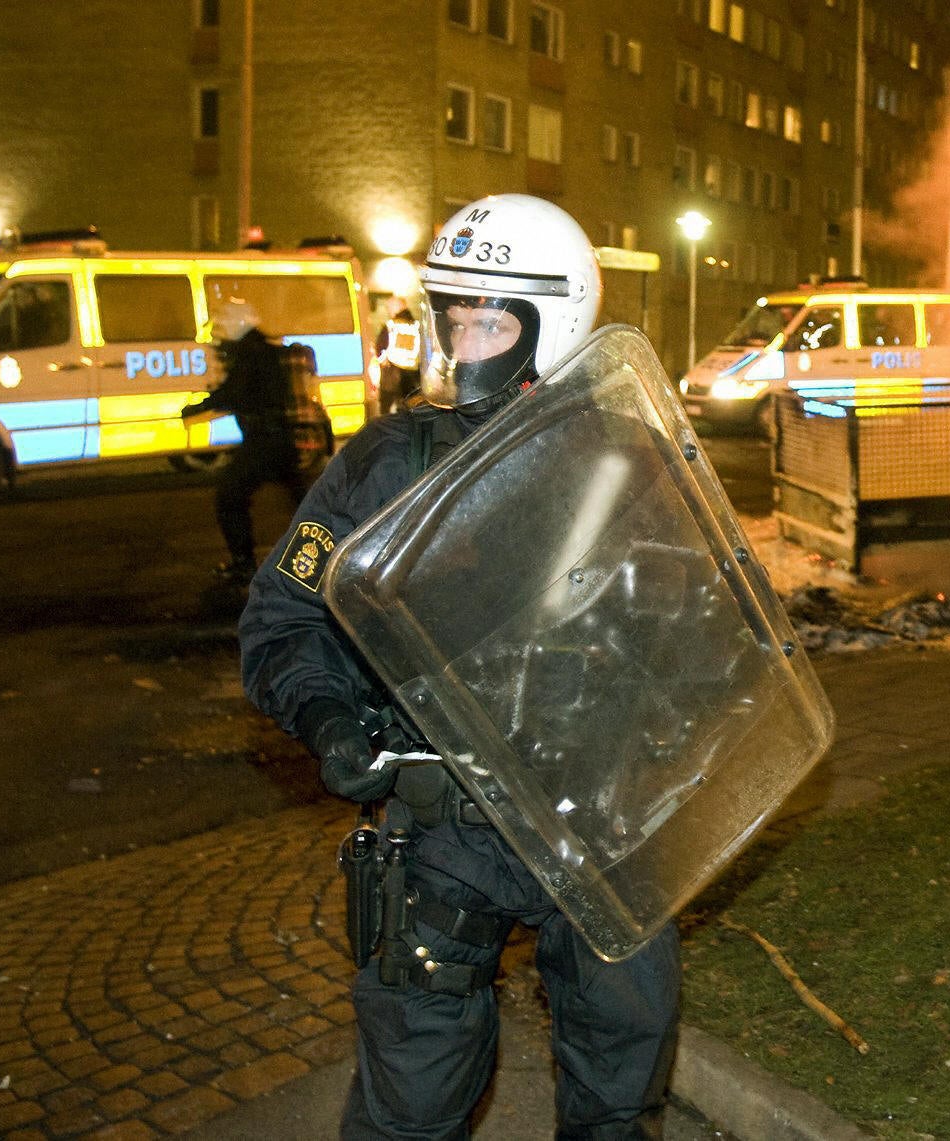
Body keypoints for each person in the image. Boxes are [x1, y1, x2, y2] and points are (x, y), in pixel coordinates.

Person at [238, 194, 678, 1140]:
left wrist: (683, 722)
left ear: (552, 322)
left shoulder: (629, 456)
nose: (465, 338)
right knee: (415, 1095)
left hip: (596, 824)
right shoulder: (389, 464)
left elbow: (704, 632)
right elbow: (284, 616)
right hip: (447, 828)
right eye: (455, 314)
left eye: (492, 316)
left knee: (618, 1086)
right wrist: (327, 718)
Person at [184, 299, 307, 581]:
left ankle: (243, 562)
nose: (220, 336)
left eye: (224, 328)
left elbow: (234, 393)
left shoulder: (252, 354)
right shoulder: (257, 349)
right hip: (274, 438)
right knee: (303, 501)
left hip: (264, 441)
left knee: (230, 496)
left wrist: (198, 408)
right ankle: (335, 548)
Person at [374, 294, 423, 415]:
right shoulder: (416, 326)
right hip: (412, 377)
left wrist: (382, 360)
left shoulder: (391, 325)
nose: (388, 311)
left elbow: (380, 347)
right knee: (409, 411)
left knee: (386, 413)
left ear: (397, 308)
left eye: (389, 308)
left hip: (392, 375)